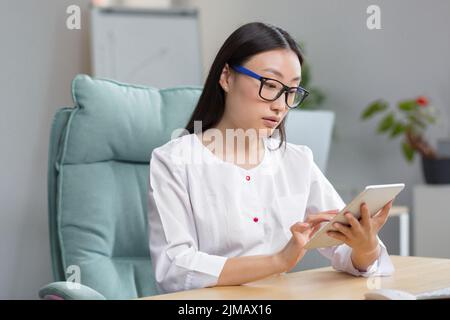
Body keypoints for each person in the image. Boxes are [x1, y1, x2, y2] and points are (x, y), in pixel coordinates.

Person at [147, 22, 394, 294]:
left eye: (291, 92)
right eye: (270, 84)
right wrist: (277, 261)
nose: (280, 105)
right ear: (227, 77)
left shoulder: (296, 160)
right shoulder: (175, 160)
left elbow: (343, 248)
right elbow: (175, 269)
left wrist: (365, 247)